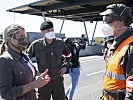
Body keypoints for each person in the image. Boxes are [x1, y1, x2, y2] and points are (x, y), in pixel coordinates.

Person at [0, 24, 51, 100]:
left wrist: (40, 77)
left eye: (25, 35)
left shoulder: (24, 56)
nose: (24, 38)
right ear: (9, 39)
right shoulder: (5, 60)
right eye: (21, 36)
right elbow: (5, 93)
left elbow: (31, 74)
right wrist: (32, 85)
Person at [27, 20, 71, 100]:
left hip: (58, 79)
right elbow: (26, 60)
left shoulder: (60, 43)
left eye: (52, 30)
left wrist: (65, 66)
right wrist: (35, 73)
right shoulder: (36, 45)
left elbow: (68, 55)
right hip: (44, 81)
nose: (51, 32)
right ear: (42, 32)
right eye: (48, 30)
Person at [100, 4, 133, 100]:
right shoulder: (116, 43)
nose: (105, 23)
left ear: (121, 20)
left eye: (108, 19)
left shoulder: (130, 47)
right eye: (104, 19)